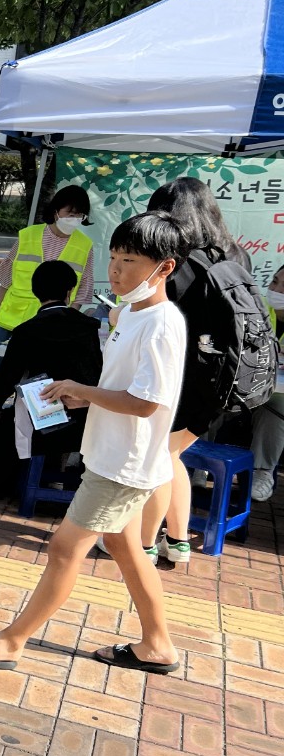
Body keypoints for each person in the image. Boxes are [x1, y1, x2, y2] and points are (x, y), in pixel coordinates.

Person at [0, 212, 190, 679]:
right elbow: (125, 388)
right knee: (124, 547)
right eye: (115, 257)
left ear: (165, 268)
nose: (116, 270)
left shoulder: (160, 323)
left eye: (130, 261)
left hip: (123, 464)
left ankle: (11, 641)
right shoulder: (131, 314)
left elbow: (146, 403)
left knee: (63, 548)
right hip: (114, 455)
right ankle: (157, 644)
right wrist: (84, 398)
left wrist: (85, 391)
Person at [131, 177, 253, 562]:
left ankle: (145, 544)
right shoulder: (235, 255)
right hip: (221, 382)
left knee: (157, 459)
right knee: (171, 457)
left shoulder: (177, 260)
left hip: (180, 379)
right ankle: (178, 540)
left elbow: (158, 316)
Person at [0, 186, 97, 440]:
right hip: (12, 319)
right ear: (56, 211)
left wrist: (66, 321)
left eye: (80, 215)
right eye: (70, 213)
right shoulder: (27, 235)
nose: (74, 219)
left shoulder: (85, 245)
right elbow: (6, 276)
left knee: (42, 378)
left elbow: (83, 288)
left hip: (51, 326)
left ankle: (28, 428)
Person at [0, 260, 103, 497]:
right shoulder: (88, 327)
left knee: (9, 422)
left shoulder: (27, 331)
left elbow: (6, 377)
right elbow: (96, 371)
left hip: (41, 422)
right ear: (69, 292)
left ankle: (2, 485)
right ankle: (59, 481)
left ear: (35, 292)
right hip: (85, 420)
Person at [251, 265, 284, 501]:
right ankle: (200, 462)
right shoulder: (256, 307)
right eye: (274, 282)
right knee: (214, 393)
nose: (276, 290)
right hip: (248, 383)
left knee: (277, 407)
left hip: (277, 392)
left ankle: (263, 472)